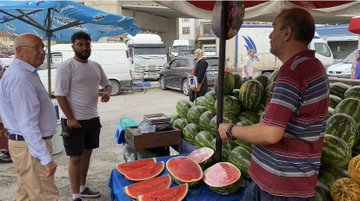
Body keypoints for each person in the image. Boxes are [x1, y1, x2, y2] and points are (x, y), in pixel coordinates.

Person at [218, 8, 329, 200]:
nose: (270, 35)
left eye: (274, 28)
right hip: (295, 182)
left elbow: (271, 133)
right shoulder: (315, 66)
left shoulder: (292, 72)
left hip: (278, 187)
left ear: (287, 33)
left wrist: (231, 130)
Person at [0, 34, 59, 200]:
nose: (42, 52)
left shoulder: (24, 73)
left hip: (25, 145)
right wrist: (45, 158)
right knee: (46, 196)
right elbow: (28, 124)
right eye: (37, 48)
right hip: (30, 146)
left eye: (43, 47)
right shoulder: (21, 78)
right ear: (20, 51)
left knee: (25, 194)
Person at [55, 31, 112, 201]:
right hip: (74, 121)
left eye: (87, 44)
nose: (84, 48)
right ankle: (75, 196)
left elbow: (107, 84)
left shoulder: (95, 66)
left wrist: (107, 93)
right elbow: (60, 95)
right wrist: (70, 118)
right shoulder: (66, 67)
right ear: (73, 46)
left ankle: (82, 187)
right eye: (80, 44)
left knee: (87, 154)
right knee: (75, 157)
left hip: (92, 118)